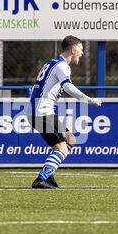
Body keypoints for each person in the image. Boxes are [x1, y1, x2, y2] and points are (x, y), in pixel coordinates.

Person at [28, 35, 102, 189]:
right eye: (81, 50)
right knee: (62, 148)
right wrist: (90, 100)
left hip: (40, 111)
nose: (82, 53)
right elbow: (68, 87)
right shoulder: (62, 66)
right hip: (41, 112)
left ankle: (48, 175)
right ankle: (41, 179)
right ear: (73, 50)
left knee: (70, 139)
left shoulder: (51, 63)